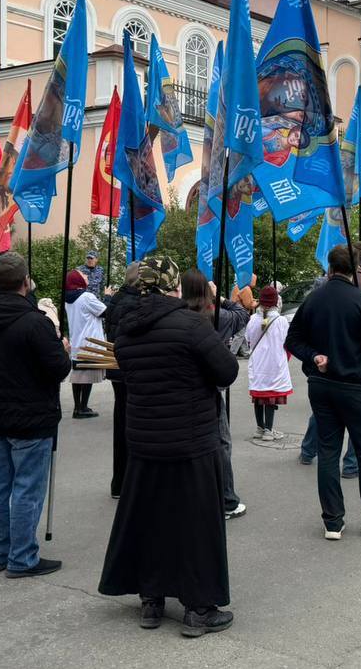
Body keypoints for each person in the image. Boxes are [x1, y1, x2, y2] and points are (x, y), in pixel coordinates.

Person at [99, 256, 239, 637]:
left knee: (152, 520)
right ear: (170, 286)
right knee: (196, 524)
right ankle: (199, 607)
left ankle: (151, 599)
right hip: (191, 439)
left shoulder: (126, 332)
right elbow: (227, 371)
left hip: (145, 440)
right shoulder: (192, 324)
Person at [285, 246, 361, 540]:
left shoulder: (313, 299)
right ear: (356, 268)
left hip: (322, 386)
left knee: (328, 452)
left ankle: (333, 521)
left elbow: (292, 339)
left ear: (330, 267)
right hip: (357, 387)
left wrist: (313, 356)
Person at [0, 251, 71, 578]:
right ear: (25, 283)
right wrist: (62, 348)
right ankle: (22, 557)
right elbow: (58, 368)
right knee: (27, 488)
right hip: (31, 417)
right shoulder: (35, 322)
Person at [183, 271, 250, 519]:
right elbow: (243, 314)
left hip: (183, 387)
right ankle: (226, 499)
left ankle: (197, 496)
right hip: (210, 386)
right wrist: (221, 298)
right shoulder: (215, 315)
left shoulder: (179, 316)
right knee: (221, 442)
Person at [103, 263, 143, 499]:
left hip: (117, 369)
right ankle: (129, 481)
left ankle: (119, 481)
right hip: (131, 369)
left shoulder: (118, 298)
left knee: (122, 423)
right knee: (133, 425)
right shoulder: (135, 302)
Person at [245, 286, 292, 441]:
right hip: (274, 363)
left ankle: (259, 427)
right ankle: (268, 430)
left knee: (258, 396)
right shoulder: (281, 321)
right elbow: (288, 343)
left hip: (258, 363)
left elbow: (248, 339)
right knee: (270, 395)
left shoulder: (253, 320)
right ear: (275, 302)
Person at [65, 269, 107, 419]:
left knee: (77, 376)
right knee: (87, 376)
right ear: (77, 280)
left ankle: (78, 407)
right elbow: (104, 312)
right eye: (83, 275)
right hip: (90, 342)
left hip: (77, 341)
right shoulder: (87, 297)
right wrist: (107, 296)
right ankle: (82, 408)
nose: (86, 276)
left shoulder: (68, 299)